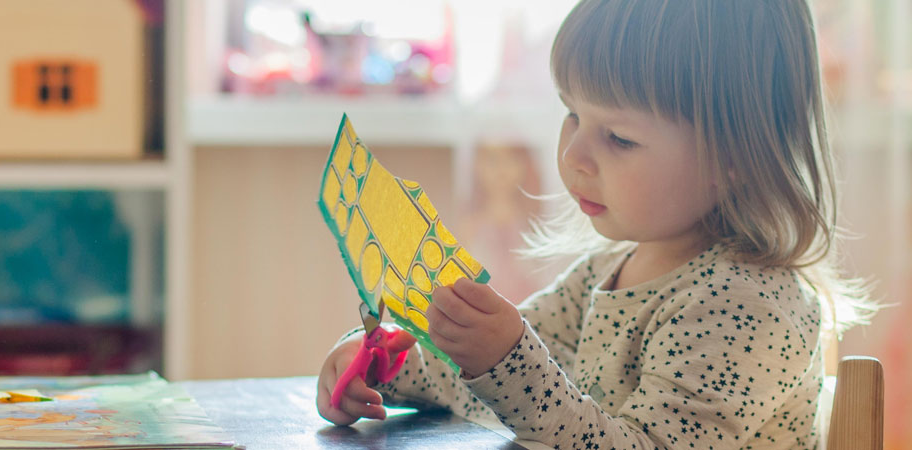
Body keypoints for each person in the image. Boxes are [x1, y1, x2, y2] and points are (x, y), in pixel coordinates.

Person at [317, 0, 873, 447]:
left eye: (620, 138)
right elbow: (486, 383)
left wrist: (506, 359)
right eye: (571, 114)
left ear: (735, 156)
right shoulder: (607, 272)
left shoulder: (750, 307)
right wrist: (382, 363)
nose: (573, 156)